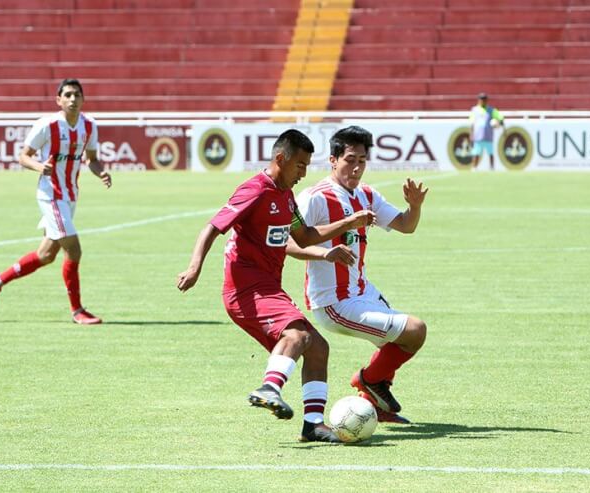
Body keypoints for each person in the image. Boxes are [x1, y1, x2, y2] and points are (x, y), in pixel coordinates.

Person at [176, 129, 375, 443]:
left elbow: (305, 236)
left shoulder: (286, 197)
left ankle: (313, 425)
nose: (303, 173)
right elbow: (212, 227)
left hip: (269, 288)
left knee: (318, 347)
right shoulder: (255, 190)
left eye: (308, 166)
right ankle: (269, 387)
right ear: (281, 158)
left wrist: (347, 226)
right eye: (299, 165)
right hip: (245, 291)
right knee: (296, 335)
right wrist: (194, 266)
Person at [287, 125, 428, 424]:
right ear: (334, 159)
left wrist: (414, 207)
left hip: (362, 291)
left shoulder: (366, 194)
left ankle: (375, 402)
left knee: (397, 342)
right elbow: (287, 244)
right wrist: (326, 252)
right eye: (350, 159)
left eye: (362, 160)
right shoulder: (315, 197)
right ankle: (366, 381)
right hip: (333, 302)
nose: (357, 167)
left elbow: (406, 225)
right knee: (415, 330)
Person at [0, 78, 112, 324]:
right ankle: (77, 311)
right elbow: (23, 156)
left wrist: (101, 172)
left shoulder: (89, 126)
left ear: (83, 99)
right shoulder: (47, 125)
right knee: (74, 249)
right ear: (59, 100)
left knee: (46, 255)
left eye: (77, 94)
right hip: (50, 195)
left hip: (71, 195)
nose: (73, 99)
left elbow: (91, 159)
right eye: (68, 95)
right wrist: (40, 167)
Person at [469, 92, 505, 170]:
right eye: (481, 99)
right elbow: (472, 123)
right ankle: (474, 168)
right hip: (478, 135)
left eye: (484, 99)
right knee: (476, 153)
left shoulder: (491, 110)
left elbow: (500, 117)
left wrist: (499, 123)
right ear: (478, 100)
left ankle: (492, 168)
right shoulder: (474, 110)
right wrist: (471, 134)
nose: (483, 101)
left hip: (488, 135)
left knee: (490, 153)